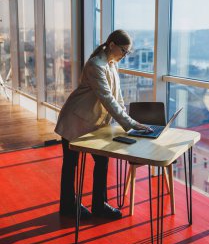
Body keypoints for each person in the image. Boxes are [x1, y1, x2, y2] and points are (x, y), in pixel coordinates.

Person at [55, 30, 151, 220]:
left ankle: (99, 205)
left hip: (93, 123)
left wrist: (129, 122)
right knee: (71, 164)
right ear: (112, 45)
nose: (125, 55)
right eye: (124, 51)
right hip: (75, 119)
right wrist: (130, 124)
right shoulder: (95, 65)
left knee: (101, 160)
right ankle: (68, 206)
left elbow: (118, 97)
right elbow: (107, 99)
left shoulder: (112, 64)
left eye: (128, 53)